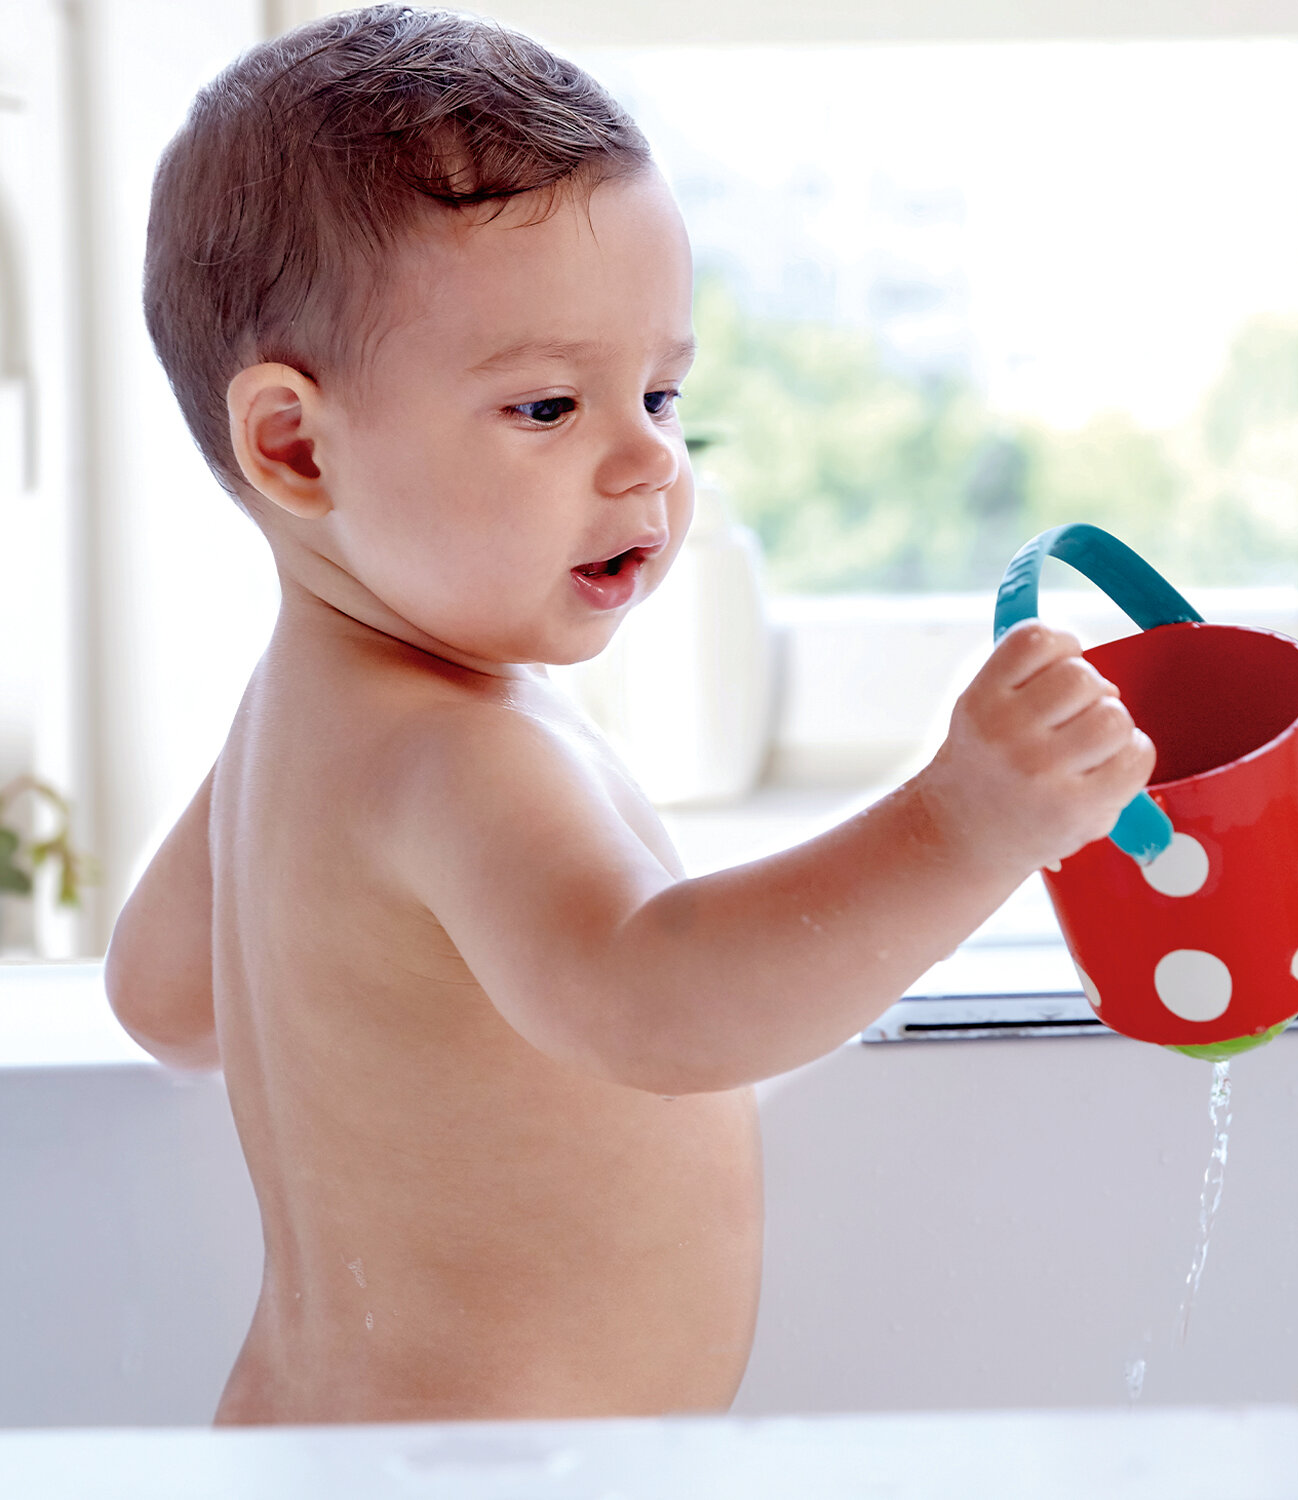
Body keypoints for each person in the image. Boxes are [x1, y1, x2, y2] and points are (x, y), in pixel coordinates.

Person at [103, 5, 1155, 1425]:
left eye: (660, 392)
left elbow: (161, 998)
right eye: (548, 407)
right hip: (486, 1476)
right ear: (295, 445)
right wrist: (959, 825)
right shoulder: (457, 754)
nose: (648, 459)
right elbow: (659, 1007)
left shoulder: (297, 722)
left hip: (321, 1442)